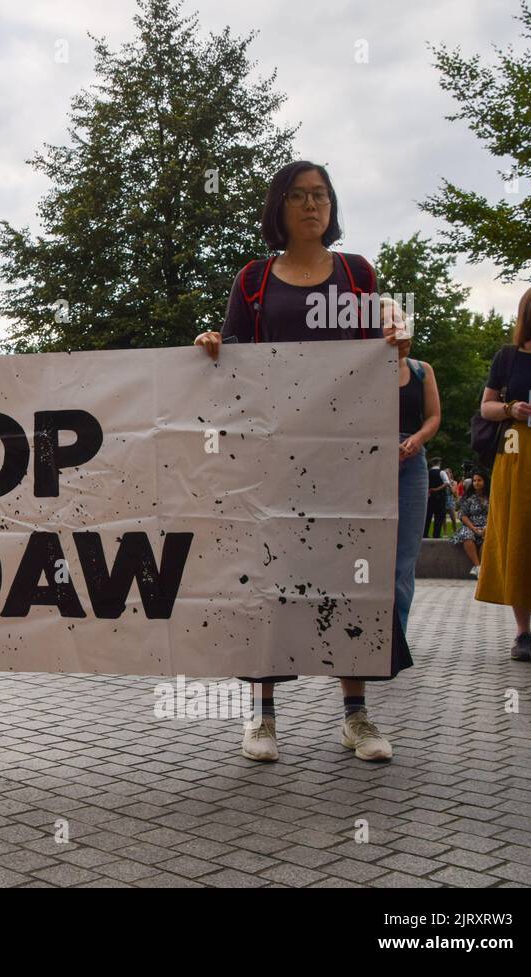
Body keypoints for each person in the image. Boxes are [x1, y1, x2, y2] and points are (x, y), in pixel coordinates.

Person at [194, 160, 407, 763]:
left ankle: (356, 715)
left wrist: (396, 339)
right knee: (268, 580)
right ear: (279, 208)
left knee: (351, 578)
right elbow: (232, 359)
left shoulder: (359, 274)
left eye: (321, 195)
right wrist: (211, 346)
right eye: (299, 196)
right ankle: (262, 718)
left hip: (345, 456)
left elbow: (381, 356)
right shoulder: (254, 280)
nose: (313, 205)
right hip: (275, 457)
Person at [475, 283, 531, 662]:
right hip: (517, 452)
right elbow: (486, 407)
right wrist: (513, 409)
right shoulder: (508, 357)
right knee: (521, 534)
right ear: (528, 314)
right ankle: (523, 633)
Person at [389, 300, 441, 636]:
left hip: (412, 462)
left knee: (405, 555)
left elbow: (434, 417)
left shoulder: (422, 370)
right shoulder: (359, 368)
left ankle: (398, 636)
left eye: (396, 319)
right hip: (370, 462)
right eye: (383, 321)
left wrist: (418, 440)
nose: (391, 326)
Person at [452, 471, 489, 577]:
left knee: (487, 538)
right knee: (466, 534)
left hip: (488, 526)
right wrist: (473, 528)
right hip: (471, 526)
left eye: (479, 480)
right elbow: (462, 515)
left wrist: (486, 527)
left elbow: (496, 514)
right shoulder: (469, 497)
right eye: (474, 480)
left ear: (485, 481)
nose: (476, 483)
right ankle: (478, 567)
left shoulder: (492, 496)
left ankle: (482, 567)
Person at [424, 458, 449, 538]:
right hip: (440, 497)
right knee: (439, 516)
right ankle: (436, 534)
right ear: (439, 463)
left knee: (428, 516)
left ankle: (425, 534)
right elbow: (446, 483)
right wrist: (436, 489)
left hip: (429, 497)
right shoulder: (441, 472)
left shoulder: (427, 472)